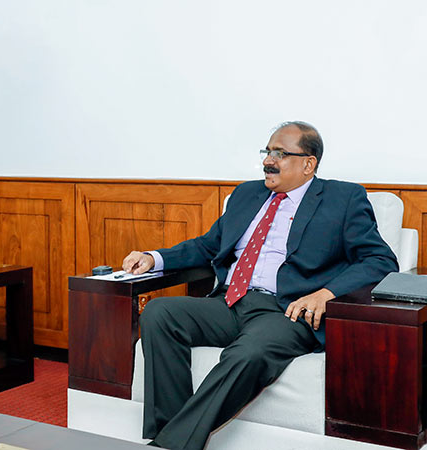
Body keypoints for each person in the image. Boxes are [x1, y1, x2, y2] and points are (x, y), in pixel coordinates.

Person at [121, 121, 398, 450]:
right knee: (160, 313)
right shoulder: (247, 194)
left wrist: (327, 294)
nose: (268, 161)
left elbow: (380, 260)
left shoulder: (343, 199)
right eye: (267, 152)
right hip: (230, 302)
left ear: (308, 164)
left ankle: (169, 445)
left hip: (286, 312)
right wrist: (154, 257)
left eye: (280, 154)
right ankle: (172, 430)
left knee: (248, 353)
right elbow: (208, 245)